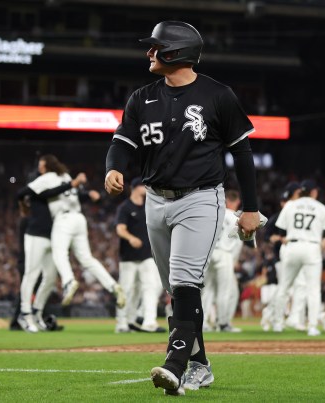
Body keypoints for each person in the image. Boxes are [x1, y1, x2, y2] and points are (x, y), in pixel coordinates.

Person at [104, 21, 262, 396]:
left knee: (185, 281)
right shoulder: (141, 97)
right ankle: (201, 365)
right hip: (155, 200)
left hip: (201, 197)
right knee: (176, 292)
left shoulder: (218, 95)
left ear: (175, 52)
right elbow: (122, 142)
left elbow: (242, 153)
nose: (149, 52)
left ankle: (175, 365)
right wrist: (113, 166)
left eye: (156, 47)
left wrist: (251, 208)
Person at [28, 155, 125, 311]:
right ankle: (112, 285)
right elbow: (74, 193)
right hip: (79, 218)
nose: (39, 168)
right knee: (86, 258)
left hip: (63, 218)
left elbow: (33, 192)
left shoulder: (47, 178)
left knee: (59, 254)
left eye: (41, 165)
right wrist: (87, 194)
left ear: (47, 166)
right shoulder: (65, 176)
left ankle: (68, 281)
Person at [15, 160, 86, 332]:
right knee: (31, 274)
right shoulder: (38, 190)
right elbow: (20, 193)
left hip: (53, 236)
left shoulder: (55, 191)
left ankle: (37, 313)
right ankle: (25, 314)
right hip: (35, 235)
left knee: (50, 278)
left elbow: (63, 192)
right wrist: (24, 205)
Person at [269, 179, 325, 336]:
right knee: (313, 289)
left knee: (284, 286)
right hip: (311, 247)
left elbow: (281, 231)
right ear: (314, 192)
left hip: (292, 246)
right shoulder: (322, 208)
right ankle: (311, 326)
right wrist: (317, 247)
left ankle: (277, 323)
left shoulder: (290, 205)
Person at [114, 177, 165, 334]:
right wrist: (130, 238)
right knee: (127, 290)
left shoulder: (148, 207)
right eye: (144, 186)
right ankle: (123, 323)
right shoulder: (125, 207)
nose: (147, 188)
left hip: (147, 256)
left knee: (151, 287)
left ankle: (149, 322)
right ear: (135, 187)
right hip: (128, 257)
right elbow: (120, 229)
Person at [259, 181, 306, 332]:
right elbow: (267, 237)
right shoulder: (279, 215)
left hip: (298, 252)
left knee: (298, 287)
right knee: (286, 288)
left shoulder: (302, 212)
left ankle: (293, 318)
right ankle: (274, 315)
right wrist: (279, 239)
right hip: (283, 256)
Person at [202, 189, 247, 332]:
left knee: (207, 290)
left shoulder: (213, 214)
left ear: (224, 200)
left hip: (209, 254)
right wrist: (234, 260)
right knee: (225, 291)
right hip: (225, 254)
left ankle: (202, 324)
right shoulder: (237, 217)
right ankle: (222, 323)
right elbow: (239, 242)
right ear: (237, 201)